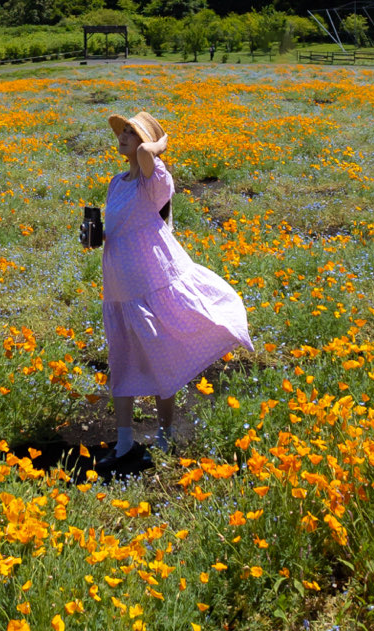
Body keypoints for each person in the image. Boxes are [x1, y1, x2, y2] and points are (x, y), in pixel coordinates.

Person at [87, 109, 252, 472]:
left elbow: (148, 155)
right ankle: (126, 438)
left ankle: (164, 431)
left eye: (132, 132)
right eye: (123, 131)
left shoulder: (154, 180)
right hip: (118, 286)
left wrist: (159, 143)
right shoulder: (117, 182)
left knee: (159, 353)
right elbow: (117, 226)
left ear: (145, 144)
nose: (124, 136)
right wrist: (95, 238)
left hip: (151, 281)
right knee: (123, 358)